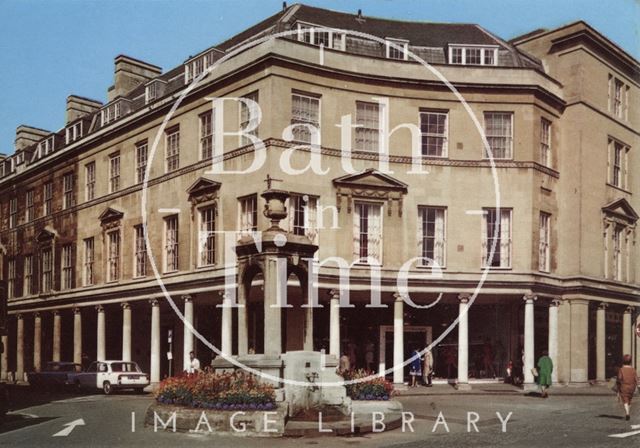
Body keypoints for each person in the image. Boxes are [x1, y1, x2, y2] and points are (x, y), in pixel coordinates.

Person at [616, 354, 638, 421]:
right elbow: (636, 379)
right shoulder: (633, 370)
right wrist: (638, 386)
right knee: (629, 400)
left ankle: (627, 413)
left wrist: (618, 386)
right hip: (632, 387)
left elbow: (619, 378)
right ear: (630, 361)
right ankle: (628, 411)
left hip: (624, 386)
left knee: (625, 400)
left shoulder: (621, 369)